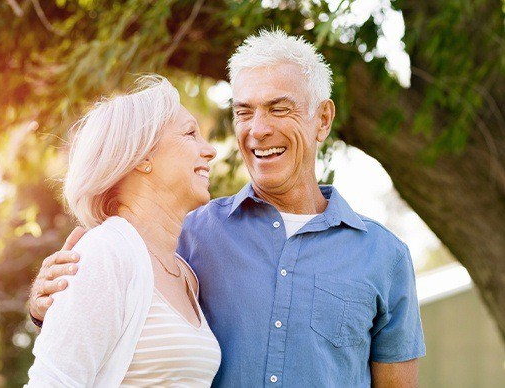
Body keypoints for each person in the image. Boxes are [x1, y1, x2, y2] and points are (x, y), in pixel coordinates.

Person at [29, 30, 425, 387]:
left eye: (279, 108)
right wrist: (49, 302)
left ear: (322, 120)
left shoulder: (385, 257)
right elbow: (103, 318)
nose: (257, 129)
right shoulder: (187, 235)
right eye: (243, 112)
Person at [26, 75, 221, 387]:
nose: (209, 149)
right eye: (190, 133)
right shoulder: (106, 252)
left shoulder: (185, 273)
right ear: (143, 156)